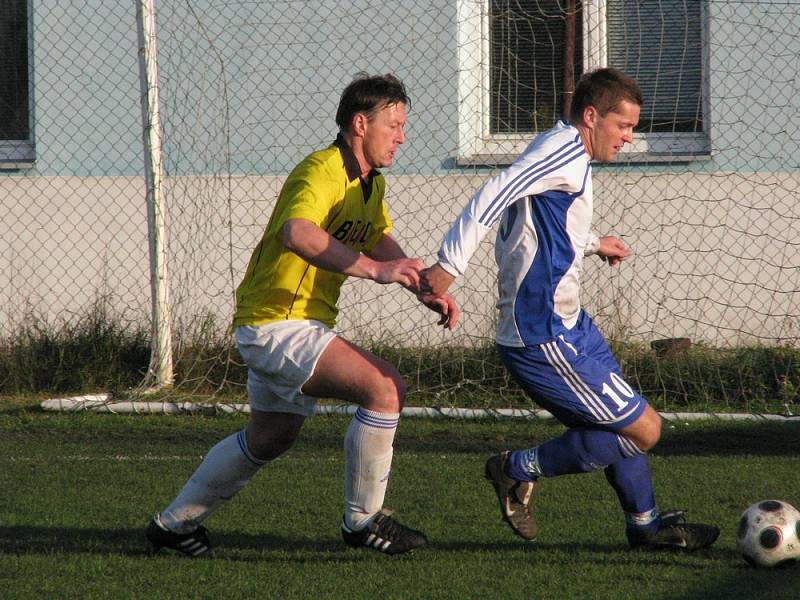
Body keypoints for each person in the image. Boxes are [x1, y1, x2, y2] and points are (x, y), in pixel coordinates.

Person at [145, 73, 458, 557]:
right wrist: (376, 271)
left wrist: (418, 282)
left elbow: (373, 235)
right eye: (394, 125)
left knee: (269, 438)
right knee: (385, 387)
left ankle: (172, 527)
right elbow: (297, 233)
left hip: (291, 326)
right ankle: (362, 520)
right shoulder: (321, 169)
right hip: (277, 324)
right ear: (360, 123)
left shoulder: (370, 183)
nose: (402, 136)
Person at [420, 68, 719, 550]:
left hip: (572, 324)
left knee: (619, 422)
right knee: (645, 429)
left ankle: (645, 527)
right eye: (622, 127)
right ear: (590, 116)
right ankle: (514, 470)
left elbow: (547, 228)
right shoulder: (560, 150)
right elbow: (495, 192)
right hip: (541, 336)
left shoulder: (570, 152)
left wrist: (597, 243)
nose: (628, 139)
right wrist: (448, 265)